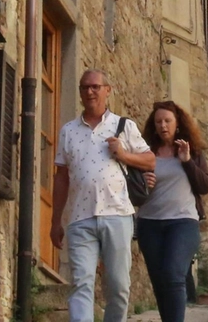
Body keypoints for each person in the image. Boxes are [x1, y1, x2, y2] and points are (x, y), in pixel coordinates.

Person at [50, 69, 155, 322]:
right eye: (85, 87)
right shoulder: (68, 131)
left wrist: (124, 155)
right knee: (81, 284)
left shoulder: (123, 126)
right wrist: (55, 221)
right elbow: (61, 177)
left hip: (117, 214)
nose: (90, 91)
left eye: (95, 86)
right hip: (79, 218)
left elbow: (150, 160)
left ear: (107, 90)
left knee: (119, 287)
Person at [137, 101, 208, 322]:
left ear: (177, 123)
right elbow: (132, 192)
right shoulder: (146, 153)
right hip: (149, 223)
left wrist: (187, 161)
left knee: (173, 275)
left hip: (183, 222)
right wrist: (143, 183)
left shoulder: (192, 151)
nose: (163, 125)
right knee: (160, 281)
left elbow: (205, 186)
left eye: (167, 121)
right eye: (158, 121)